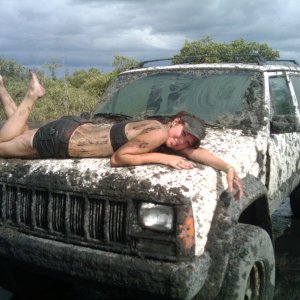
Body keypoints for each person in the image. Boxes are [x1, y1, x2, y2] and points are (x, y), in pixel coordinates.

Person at [0, 71, 243, 200]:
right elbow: (119, 158)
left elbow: (195, 152)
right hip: (60, 141)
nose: (181, 142)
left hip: (71, 129)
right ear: (176, 121)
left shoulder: (160, 127)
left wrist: (227, 167)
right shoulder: (159, 133)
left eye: (186, 142)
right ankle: (32, 95)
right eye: (183, 134)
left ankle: (1, 88)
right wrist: (164, 159)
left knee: (14, 135)